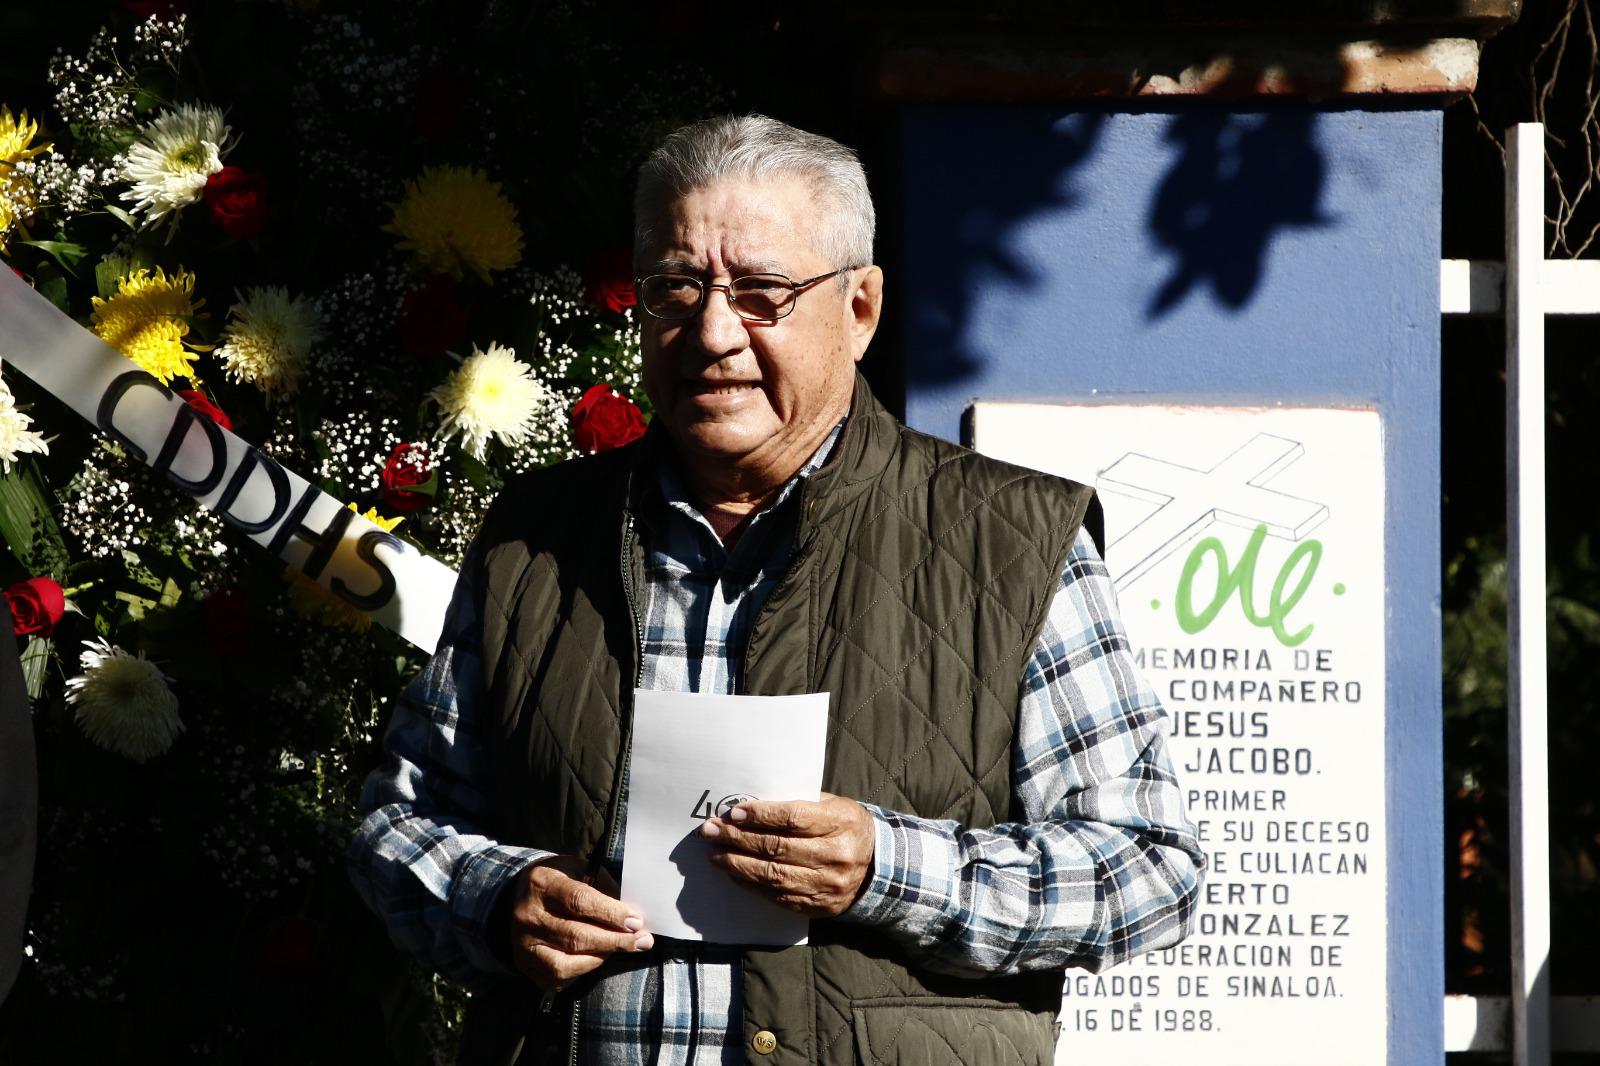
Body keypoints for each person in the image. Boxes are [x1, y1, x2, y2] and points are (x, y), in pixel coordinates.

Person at [349, 114, 1204, 1066]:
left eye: (762, 293)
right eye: (676, 289)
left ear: (861, 309)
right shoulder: (536, 539)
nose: (713, 334)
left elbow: (1145, 869)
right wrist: (497, 900)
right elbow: (400, 823)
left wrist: (888, 868)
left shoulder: (1009, 543)